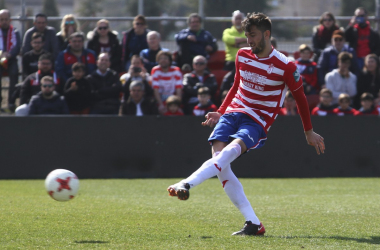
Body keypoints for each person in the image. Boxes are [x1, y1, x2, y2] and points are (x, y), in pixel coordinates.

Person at [167, 12, 325, 236]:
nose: (248, 40)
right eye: (246, 35)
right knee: (220, 161)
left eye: (253, 35)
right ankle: (253, 224)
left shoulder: (286, 66)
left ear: (266, 34)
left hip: (258, 120)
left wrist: (308, 132)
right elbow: (235, 86)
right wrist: (221, 112)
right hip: (232, 113)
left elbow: (301, 100)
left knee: (227, 155)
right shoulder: (241, 55)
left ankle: (186, 183)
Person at [0, 9, 21, 113]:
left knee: (14, 74)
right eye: (1, 19)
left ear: (10, 20)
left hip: (11, 59)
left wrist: (9, 55)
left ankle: (11, 103)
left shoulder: (15, 32)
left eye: (6, 19)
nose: (4, 21)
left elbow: (17, 47)